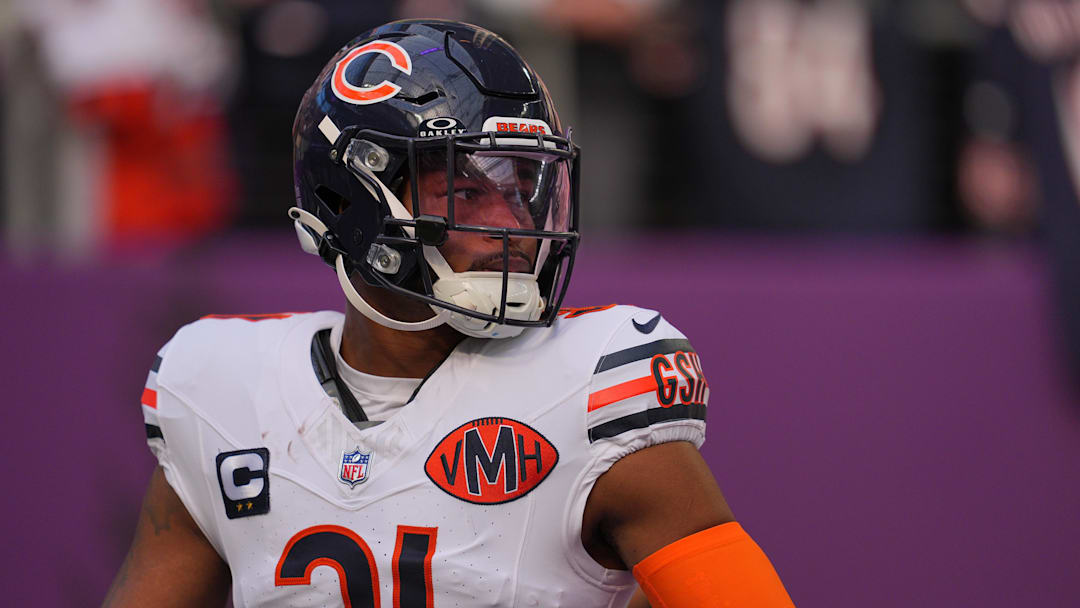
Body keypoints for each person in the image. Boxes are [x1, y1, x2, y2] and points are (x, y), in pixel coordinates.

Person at [103, 19, 795, 608]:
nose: (513, 223)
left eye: (525, 185)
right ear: (352, 195)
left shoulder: (593, 388)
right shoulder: (221, 391)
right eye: (468, 186)